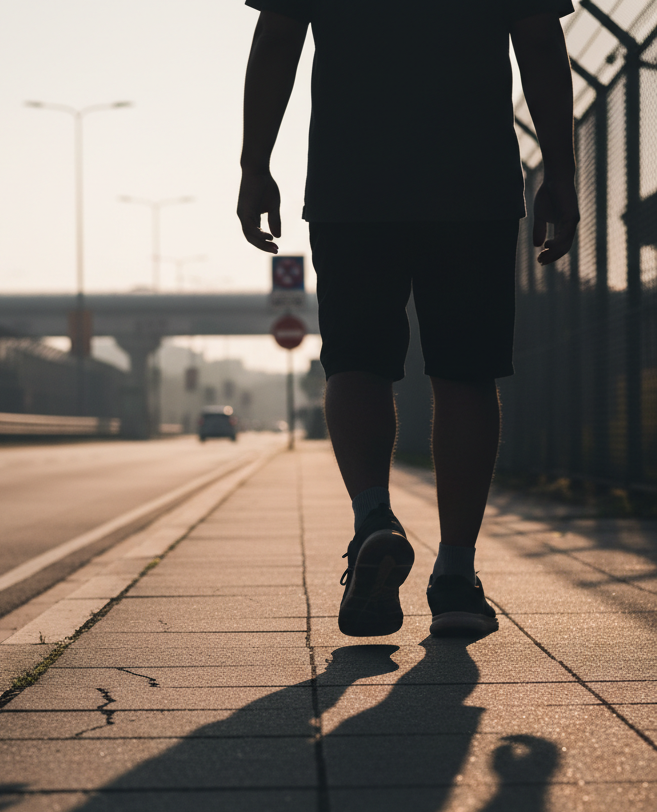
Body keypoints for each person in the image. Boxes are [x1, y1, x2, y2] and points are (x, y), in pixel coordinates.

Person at [238, 0, 579, 638]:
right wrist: (559, 170)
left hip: (353, 181)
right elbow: (537, 41)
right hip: (472, 182)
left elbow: (277, 39)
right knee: (465, 373)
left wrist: (254, 166)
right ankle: (454, 577)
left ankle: (374, 521)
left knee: (356, 360)